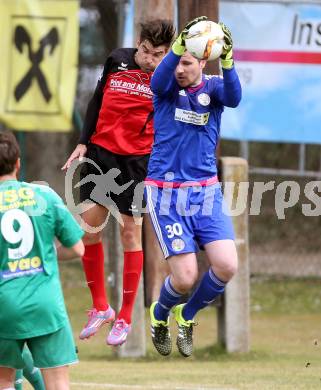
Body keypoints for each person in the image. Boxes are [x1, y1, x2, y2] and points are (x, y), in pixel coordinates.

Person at [62, 19, 175, 346]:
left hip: (136, 162)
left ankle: (126, 315)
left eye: (158, 54)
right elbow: (96, 99)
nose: (149, 58)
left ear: (166, 53)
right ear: (137, 43)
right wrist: (83, 141)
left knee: (130, 232)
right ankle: (100, 307)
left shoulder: (166, 75)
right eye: (145, 50)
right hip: (100, 155)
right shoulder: (117, 59)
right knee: (89, 231)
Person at [145, 17, 242, 357]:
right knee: (185, 278)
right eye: (177, 62)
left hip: (206, 193)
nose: (180, 69)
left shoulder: (214, 89)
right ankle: (158, 316)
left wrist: (227, 59)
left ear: (203, 61)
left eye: (187, 62)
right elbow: (159, 78)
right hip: (166, 193)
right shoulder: (166, 89)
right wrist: (178, 46)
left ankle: (186, 317)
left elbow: (235, 98)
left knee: (227, 265)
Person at [0, 131, 84, 390]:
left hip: (4, 306)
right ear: (18, 163)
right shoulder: (45, 196)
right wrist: (43, 255)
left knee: (4, 381)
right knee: (58, 383)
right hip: (46, 305)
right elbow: (78, 249)